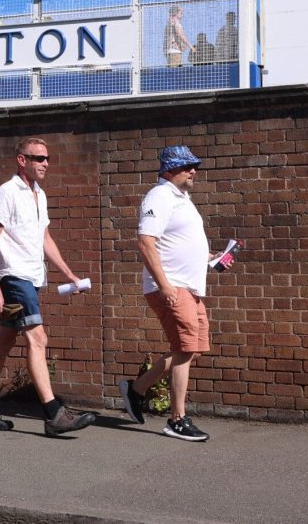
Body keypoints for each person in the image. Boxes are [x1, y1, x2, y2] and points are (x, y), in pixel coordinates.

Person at [0, 137, 96, 437]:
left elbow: (44, 239)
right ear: (22, 160)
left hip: (33, 277)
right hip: (14, 277)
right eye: (38, 158)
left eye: (47, 158)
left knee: (4, 343)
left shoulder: (40, 194)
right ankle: (53, 414)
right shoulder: (7, 192)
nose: (45, 163)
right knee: (38, 339)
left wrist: (70, 275)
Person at [119, 146, 230, 442]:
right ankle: (177, 419)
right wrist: (165, 285)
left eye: (194, 166)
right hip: (171, 285)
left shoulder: (183, 199)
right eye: (187, 166)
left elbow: (178, 241)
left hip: (190, 287)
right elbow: (145, 242)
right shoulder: (160, 196)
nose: (193, 170)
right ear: (169, 170)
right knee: (184, 347)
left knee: (190, 348)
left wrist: (209, 256)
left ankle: (137, 389)